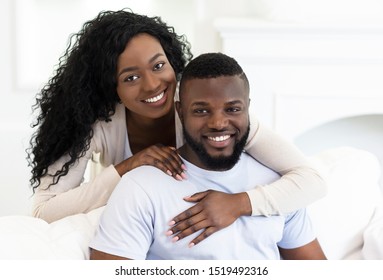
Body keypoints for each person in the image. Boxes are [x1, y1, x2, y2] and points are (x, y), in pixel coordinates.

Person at [27, 9, 326, 246]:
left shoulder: (207, 112)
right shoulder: (100, 122)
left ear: (172, 61)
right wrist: (126, 168)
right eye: (131, 77)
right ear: (110, 86)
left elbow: (312, 179)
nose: (153, 85)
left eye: (158, 66)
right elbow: (43, 212)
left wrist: (240, 204)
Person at [89, 52, 327, 260]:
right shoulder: (141, 187)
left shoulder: (280, 187)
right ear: (180, 112)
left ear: (247, 108)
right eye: (201, 111)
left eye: (232, 109)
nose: (218, 123)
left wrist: (239, 204)